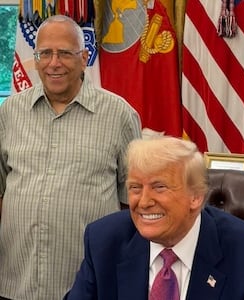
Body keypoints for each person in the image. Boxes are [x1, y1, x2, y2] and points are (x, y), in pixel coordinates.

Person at [0, 15, 141, 300]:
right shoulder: (9, 113)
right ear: (36, 58)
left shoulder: (119, 115)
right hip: (17, 281)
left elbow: (134, 201)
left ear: (84, 57)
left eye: (65, 53)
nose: (54, 63)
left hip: (89, 284)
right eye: (45, 53)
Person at [64, 136, 244, 300]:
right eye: (135, 187)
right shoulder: (104, 241)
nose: (144, 201)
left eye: (159, 187)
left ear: (195, 197)